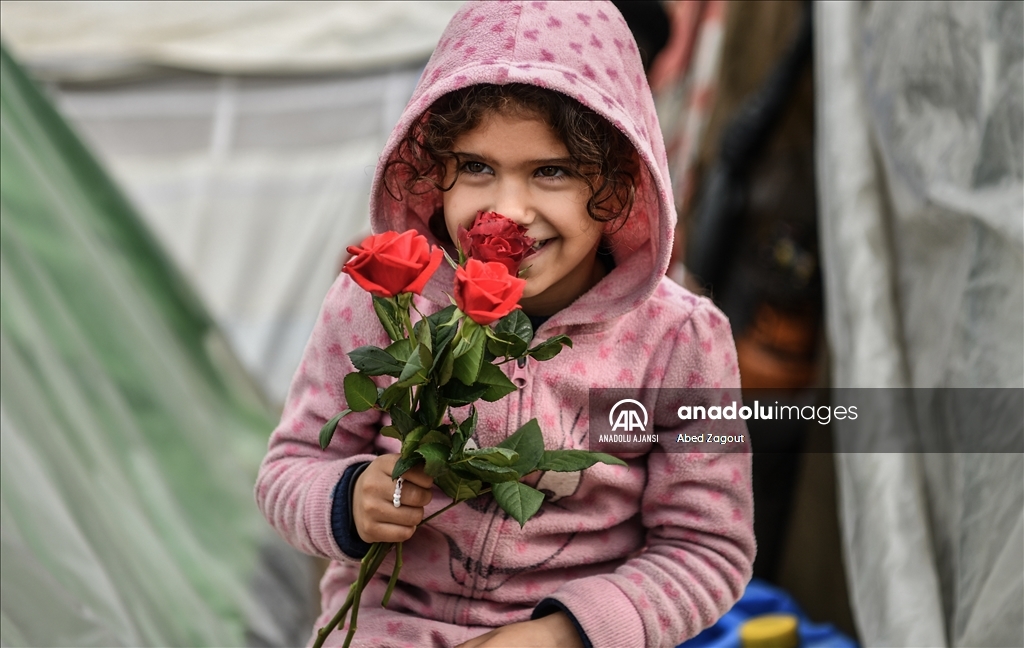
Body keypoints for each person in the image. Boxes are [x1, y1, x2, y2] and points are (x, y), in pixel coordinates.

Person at [256, 2, 754, 646]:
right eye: (476, 167)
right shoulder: (383, 301)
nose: (508, 209)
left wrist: (560, 635)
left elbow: (706, 549)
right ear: (433, 173)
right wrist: (347, 499)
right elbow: (287, 469)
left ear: (620, 188)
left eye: (552, 172)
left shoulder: (683, 342)